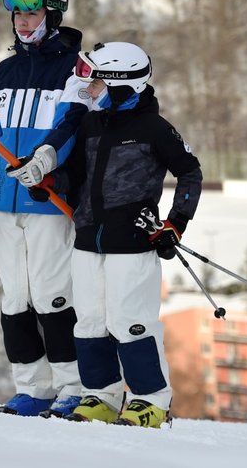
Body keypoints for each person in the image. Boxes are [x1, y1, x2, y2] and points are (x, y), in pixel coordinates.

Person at [34, 41, 203, 427]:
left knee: (131, 322)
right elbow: (75, 177)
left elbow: (190, 173)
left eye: (94, 81)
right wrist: (48, 181)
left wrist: (174, 224)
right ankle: (101, 395)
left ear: (119, 84)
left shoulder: (154, 128)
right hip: (87, 238)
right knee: (90, 322)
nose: (87, 88)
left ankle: (150, 401)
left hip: (132, 243)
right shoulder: (92, 123)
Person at [0, 0, 89, 418]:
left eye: (32, 11)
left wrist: (45, 160)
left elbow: (72, 124)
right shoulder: (4, 72)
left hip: (46, 199)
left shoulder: (76, 68)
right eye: (17, 12)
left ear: (53, 15)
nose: (22, 20)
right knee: (15, 300)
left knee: (53, 296)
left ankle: (73, 387)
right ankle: (32, 390)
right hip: (4, 204)